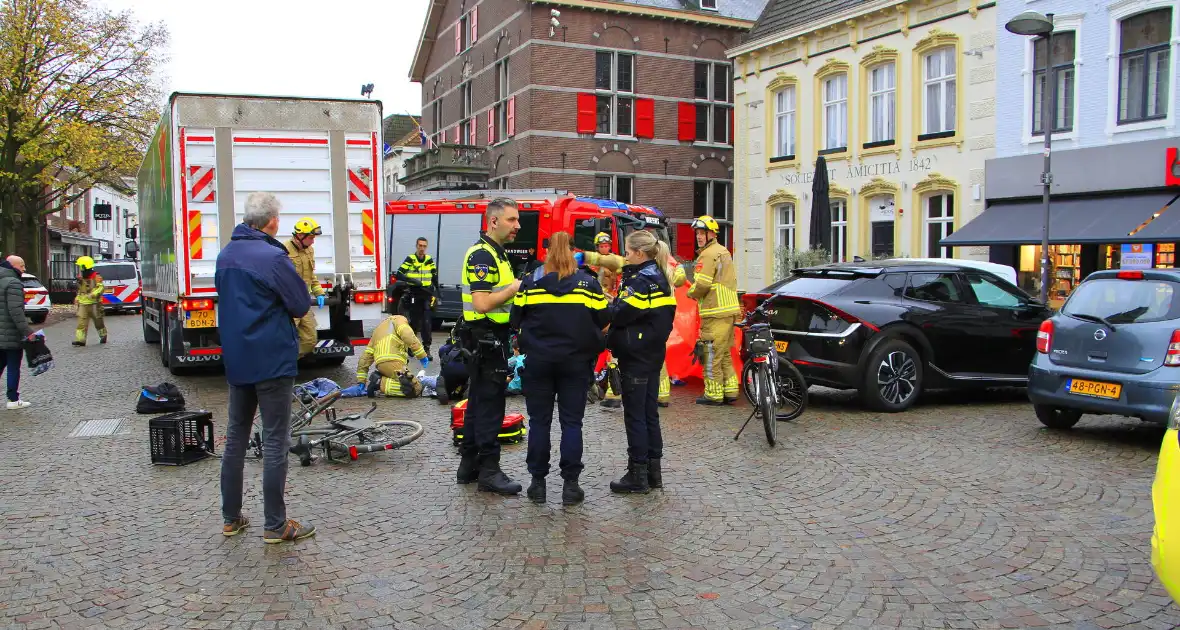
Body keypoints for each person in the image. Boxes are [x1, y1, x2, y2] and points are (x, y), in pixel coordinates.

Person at [217, 192, 317, 544]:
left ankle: (231, 518)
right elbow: (300, 303)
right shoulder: (274, 256)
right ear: (273, 221)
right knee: (275, 440)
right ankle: (275, 524)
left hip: (237, 357)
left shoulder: (225, 254)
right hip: (272, 358)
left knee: (235, 439)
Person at [511, 231, 608, 505]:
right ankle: (570, 486)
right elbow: (604, 318)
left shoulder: (531, 283)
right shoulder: (588, 284)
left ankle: (537, 484)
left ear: (548, 253)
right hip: (575, 363)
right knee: (572, 423)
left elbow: (514, 319)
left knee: (539, 423)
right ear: (573, 251)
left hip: (539, 362)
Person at [457, 197, 524, 495]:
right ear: (493, 221)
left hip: (486, 338)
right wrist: (514, 288)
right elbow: (481, 303)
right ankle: (489, 471)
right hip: (485, 338)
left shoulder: (496, 254)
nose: (517, 226)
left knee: (478, 404)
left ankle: (469, 465)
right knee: (490, 406)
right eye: (512, 220)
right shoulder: (483, 256)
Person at [607, 230, 677, 494]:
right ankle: (653, 473)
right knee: (649, 414)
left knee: (635, 415)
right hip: (652, 353)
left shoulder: (640, 281)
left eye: (627, 252)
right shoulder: (660, 276)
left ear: (639, 253)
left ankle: (637, 475)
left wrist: (606, 304)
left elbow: (620, 313)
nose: (625, 257)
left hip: (635, 355)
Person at [687, 216, 740, 405]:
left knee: (710, 354)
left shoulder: (708, 255)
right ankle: (731, 390)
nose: (699, 237)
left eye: (702, 233)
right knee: (724, 353)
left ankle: (714, 393)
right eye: (697, 234)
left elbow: (702, 284)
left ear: (712, 234)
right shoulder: (723, 251)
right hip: (728, 311)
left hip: (714, 311)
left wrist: (689, 292)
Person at [356, 314, 430, 398]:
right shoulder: (400, 321)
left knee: (403, 381)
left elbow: (365, 357)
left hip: (381, 365)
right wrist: (421, 355)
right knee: (416, 388)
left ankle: (381, 381)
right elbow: (408, 335)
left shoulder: (378, 330)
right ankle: (380, 383)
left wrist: (361, 381)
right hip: (394, 361)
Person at [284, 218, 326, 358]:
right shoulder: (282, 251)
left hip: (303, 302)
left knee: (310, 339)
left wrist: (319, 292)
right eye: (311, 238)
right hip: (288, 305)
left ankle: (286, 361)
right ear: (300, 236)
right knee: (285, 339)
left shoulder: (309, 250)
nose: (313, 241)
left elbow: (311, 275)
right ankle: (281, 367)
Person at [0, 255, 36, 409]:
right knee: (13, 366)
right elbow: (16, 312)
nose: (24, 269)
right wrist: (27, 331)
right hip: (11, 334)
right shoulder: (13, 282)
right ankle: (13, 399)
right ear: (13, 265)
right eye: (22, 266)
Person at [396, 237, 441, 354]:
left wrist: (439, 293)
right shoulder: (411, 259)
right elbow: (399, 274)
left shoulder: (429, 259)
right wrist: (413, 280)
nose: (422, 248)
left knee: (427, 322)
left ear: (426, 247)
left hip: (426, 294)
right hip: (414, 293)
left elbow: (434, 276)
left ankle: (427, 348)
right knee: (414, 322)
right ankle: (411, 347)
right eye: (420, 246)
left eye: (424, 246)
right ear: (416, 246)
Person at [72, 255, 107, 347]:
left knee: (98, 321)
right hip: (83, 303)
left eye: (82, 266)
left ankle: (103, 335)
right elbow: (80, 290)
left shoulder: (96, 276)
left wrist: (94, 294)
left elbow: (101, 287)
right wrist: (77, 298)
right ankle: (80, 340)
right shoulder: (81, 278)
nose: (81, 269)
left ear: (86, 266)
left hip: (94, 303)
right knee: (81, 323)